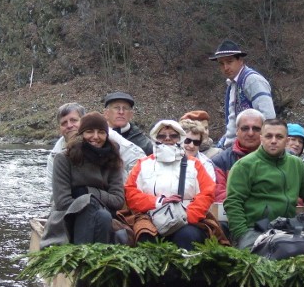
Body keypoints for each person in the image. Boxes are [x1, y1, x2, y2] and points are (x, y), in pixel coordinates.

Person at [124, 120, 218, 250]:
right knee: (145, 236)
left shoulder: (194, 164)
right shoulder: (142, 164)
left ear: (180, 138)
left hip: (187, 219)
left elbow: (207, 192)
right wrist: (158, 202)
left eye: (173, 135)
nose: (167, 139)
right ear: (155, 138)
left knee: (187, 236)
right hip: (150, 217)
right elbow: (131, 193)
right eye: (162, 136)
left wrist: (189, 215)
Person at [224, 119, 304, 249]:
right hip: (254, 231)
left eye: (279, 136)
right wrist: (243, 235)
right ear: (261, 138)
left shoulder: (297, 165)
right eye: (268, 136)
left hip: (289, 230)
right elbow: (233, 203)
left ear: (287, 141)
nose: (273, 140)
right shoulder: (244, 165)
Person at [41, 112, 125, 248]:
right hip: (67, 218)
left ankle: (88, 257)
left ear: (107, 136)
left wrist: (87, 192)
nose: (96, 137)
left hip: (104, 216)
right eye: (90, 132)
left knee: (103, 216)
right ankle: (85, 254)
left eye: (101, 132)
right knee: (95, 211)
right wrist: (87, 201)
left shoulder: (113, 159)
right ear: (81, 134)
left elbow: (118, 200)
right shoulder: (63, 159)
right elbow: (62, 202)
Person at [209, 40, 275, 149]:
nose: (225, 67)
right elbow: (232, 122)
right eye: (221, 63)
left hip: (251, 148)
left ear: (240, 60)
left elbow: (269, 117)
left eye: (229, 62)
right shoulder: (233, 85)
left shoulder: (252, 80)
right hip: (235, 147)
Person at [212, 108, 265, 202]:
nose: (250, 133)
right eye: (245, 128)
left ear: (264, 131)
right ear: (237, 130)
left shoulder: (280, 158)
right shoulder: (220, 161)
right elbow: (219, 196)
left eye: (256, 129)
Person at [46, 103, 85, 189]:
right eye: (64, 123)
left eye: (73, 120)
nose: (69, 126)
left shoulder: (99, 141)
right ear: (59, 128)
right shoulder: (54, 156)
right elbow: (52, 189)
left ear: (84, 121)